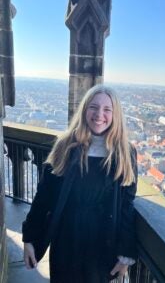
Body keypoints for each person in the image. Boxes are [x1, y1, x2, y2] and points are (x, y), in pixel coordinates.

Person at [22, 85, 138, 283]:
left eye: (107, 109)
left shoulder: (124, 152)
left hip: (102, 246)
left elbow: (126, 205)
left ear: (115, 114)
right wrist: (30, 238)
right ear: (85, 110)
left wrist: (125, 253)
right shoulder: (65, 145)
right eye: (94, 107)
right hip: (66, 240)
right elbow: (44, 197)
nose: (99, 114)